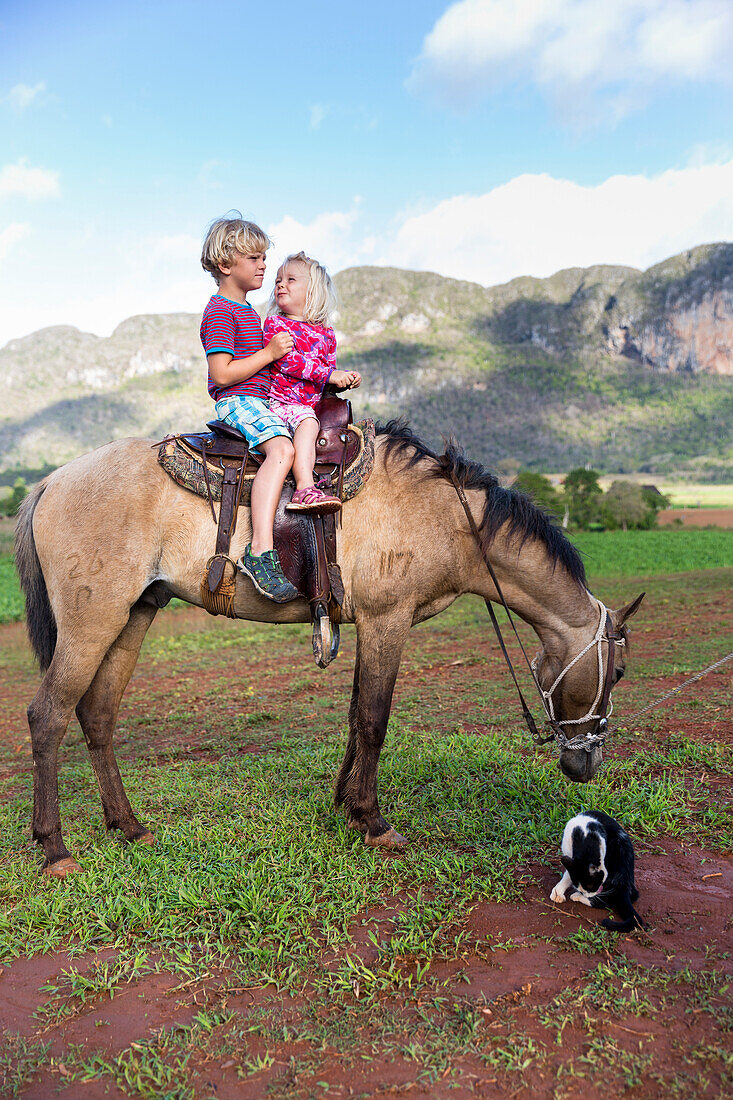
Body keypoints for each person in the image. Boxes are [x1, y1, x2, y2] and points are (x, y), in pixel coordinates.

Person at [200, 215, 299, 602]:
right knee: (283, 449)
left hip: (258, 398)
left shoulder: (248, 311)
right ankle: (259, 549)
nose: (263, 265)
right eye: (255, 258)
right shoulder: (220, 312)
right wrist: (269, 351)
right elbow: (222, 374)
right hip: (238, 401)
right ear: (226, 265)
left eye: (264, 258)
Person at [264, 252, 360, 513]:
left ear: (313, 291)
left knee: (315, 420)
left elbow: (327, 372)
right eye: (278, 280)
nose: (281, 284)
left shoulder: (326, 333)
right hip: (281, 401)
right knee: (308, 423)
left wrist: (342, 380)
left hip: (308, 405)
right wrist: (329, 375)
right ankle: (304, 487)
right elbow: (287, 362)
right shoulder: (275, 324)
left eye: (291, 279)